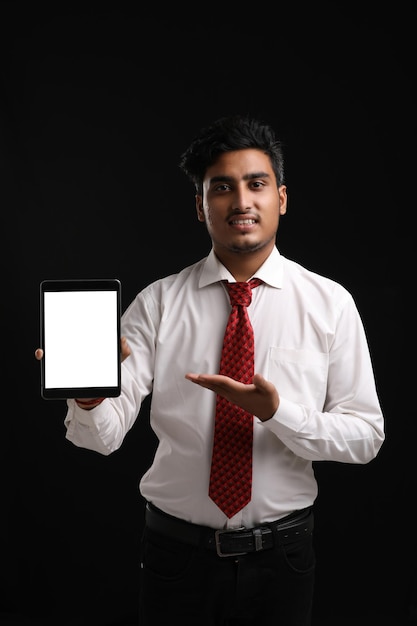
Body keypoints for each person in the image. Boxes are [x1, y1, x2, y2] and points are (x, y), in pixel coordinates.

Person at [35, 114, 385, 626]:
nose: (241, 201)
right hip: (176, 559)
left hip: (283, 560)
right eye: (221, 187)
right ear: (200, 207)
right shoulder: (157, 304)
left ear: (281, 198)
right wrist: (89, 397)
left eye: (256, 184)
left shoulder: (330, 304)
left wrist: (278, 413)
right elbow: (102, 439)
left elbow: (366, 437)